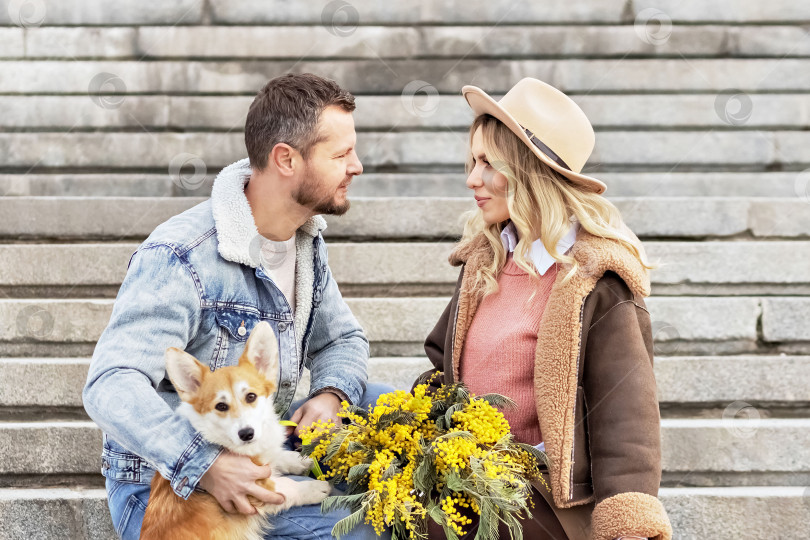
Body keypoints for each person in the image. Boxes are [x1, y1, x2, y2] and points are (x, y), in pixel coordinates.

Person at [83, 73, 393, 540]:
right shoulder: (181, 256)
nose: (358, 166)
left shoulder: (303, 240)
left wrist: (332, 396)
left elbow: (343, 339)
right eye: (341, 154)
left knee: (380, 402)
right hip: (166, 490)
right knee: (375, 528)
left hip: (255, 448)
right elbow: (110, 383)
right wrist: (205, 465)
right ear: (286, 159)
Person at [414, 78, 673, 540]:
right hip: (468, 482)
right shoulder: (486, 262)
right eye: (472, 161)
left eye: (488, 164)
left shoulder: (597, 282)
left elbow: (626, 422)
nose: (472, 178)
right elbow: (442, 367)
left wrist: (627, 526)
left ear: (528, 171)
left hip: (547, 500)